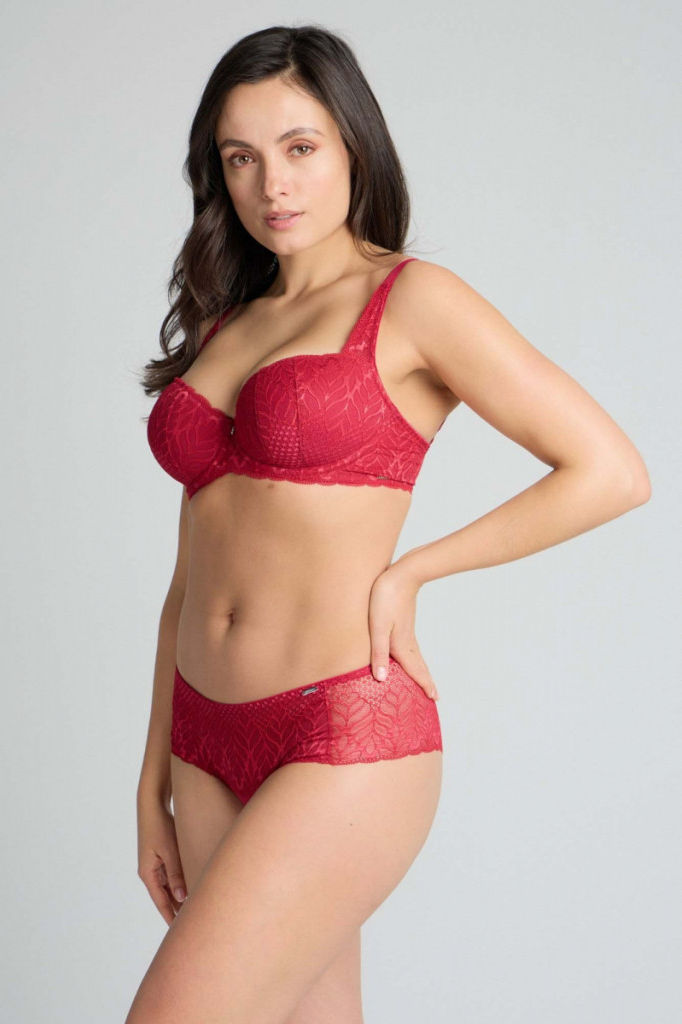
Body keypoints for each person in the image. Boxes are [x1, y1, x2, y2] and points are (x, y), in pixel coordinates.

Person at [126, 23, 651, 1024]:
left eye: (299, 147)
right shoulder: (225, 323)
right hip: (201, 739)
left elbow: (609, 471)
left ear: (353, 143)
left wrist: (413, 572)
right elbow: (188, 576)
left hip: (340, 733)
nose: (271, 184)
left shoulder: (410, 300)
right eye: (239, 157)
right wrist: (150, 775)